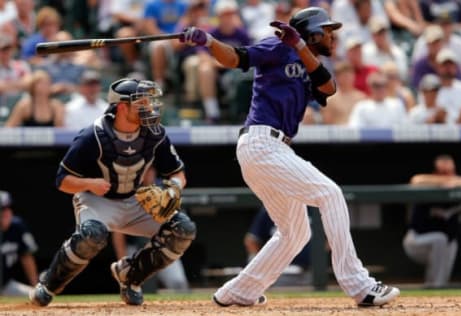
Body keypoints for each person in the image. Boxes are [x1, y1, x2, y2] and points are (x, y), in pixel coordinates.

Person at [179, 6, 400, 307]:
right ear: (312, 32)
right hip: (261, 142)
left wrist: (299, 46)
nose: (333, 37)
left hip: (273, 148)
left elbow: (329, 87)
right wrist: (208, 41)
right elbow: (236, 58)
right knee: (330, 194)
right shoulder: (276, 46)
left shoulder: (311, 61)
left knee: (296, 232)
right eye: (327, 31)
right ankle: (359, 285)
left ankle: (238, 291)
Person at [29, 77, 197, 307]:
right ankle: (47, 286)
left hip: (136, 200)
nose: (148, 109)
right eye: (141, 104)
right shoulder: (93, 136)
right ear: (121, 107)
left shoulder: (154, 133)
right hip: (98, 200)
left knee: (183, 229)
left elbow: (178, 173)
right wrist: (89, 183)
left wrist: (173, 188)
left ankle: (130, 277)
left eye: (148, 103)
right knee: (92, 236)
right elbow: (62, 181)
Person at [403, 154, 461, 288]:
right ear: (435, 172)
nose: (448, 175)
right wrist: (443, 181)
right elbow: (416, 180)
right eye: (443, 172)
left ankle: (436, 288)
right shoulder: (426, 185)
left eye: (450, 171)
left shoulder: (460, 183)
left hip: (442, 245)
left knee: (450, 242)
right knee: (440, 239)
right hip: (416, 242)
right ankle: (434, 285)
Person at [111, 165, 190, 292]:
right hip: (135, 247)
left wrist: (174, 249)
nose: (147, 174)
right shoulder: (127, 192)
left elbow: (179, 224)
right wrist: (122, 258)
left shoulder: (165, 190)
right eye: (143, 171)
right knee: (136, 285)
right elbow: (117, 231)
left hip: (162, 246)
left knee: (178, 282)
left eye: (150, 170)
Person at [244, 206, 311, 287]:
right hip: (275, 271)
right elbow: (251, 240)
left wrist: (319, 259)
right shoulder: (270, 209)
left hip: (307, 271)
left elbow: (328, 239)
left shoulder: (314, 208)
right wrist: (261, 265)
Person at [0, 190, 39, 297]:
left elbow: (26, 256)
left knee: (38, 297)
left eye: (8, 208)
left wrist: (35, 286)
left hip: (5, 286)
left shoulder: (17, 227)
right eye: (2, 209)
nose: (6, 212)